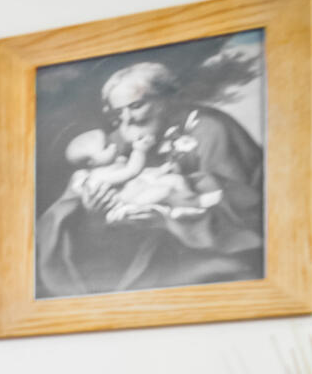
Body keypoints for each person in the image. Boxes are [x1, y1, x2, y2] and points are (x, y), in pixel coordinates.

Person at [35, 59, 266, 297]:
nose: (127, 119)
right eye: (118, 112)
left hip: (201, 263)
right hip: (139, 268)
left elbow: (246, 209)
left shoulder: (211, 129)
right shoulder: (116, 140)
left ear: (165, 99)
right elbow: (63, 216)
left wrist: (167, 219)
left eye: (136, 106)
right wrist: (94, 218)